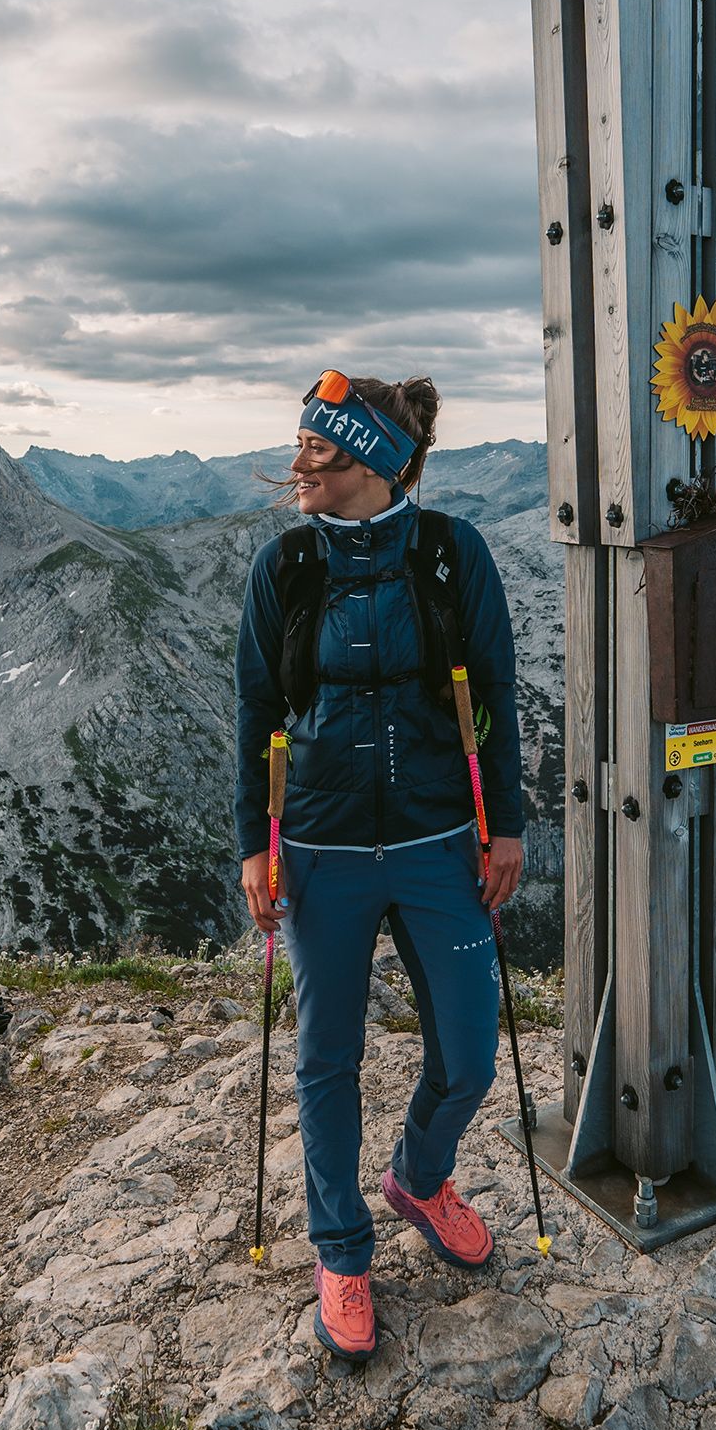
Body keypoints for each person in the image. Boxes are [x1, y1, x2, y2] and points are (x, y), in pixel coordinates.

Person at [235, 370, 524, 1362]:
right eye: (304, 445)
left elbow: (493, 691)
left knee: (473, 1048)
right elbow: (255, 715)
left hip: (441, 841)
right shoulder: (286, 567)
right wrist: (250, 846)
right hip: (316, 848)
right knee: (325, 1059)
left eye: (320, 450)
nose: (300, 464)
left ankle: (417, 1174)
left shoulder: (450, 557)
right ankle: (341, 1250)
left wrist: (508, 824)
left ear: (377, 464)